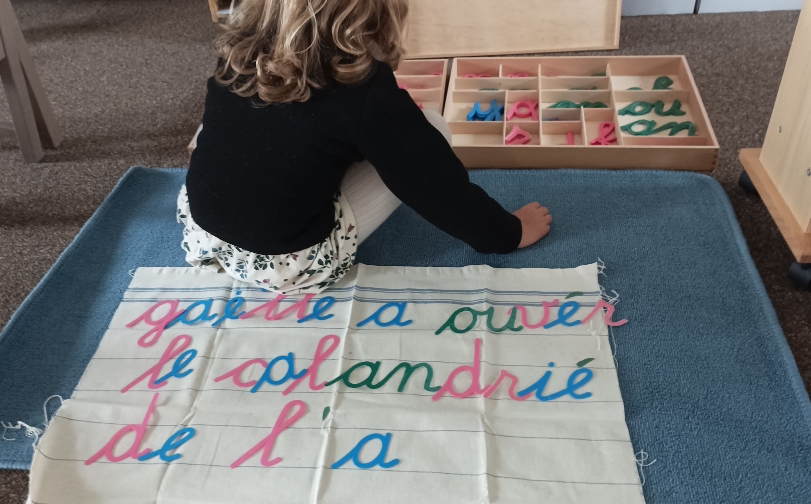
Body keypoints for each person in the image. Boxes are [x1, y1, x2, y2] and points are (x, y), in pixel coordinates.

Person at [182, 0, 552, 294]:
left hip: (203, 232)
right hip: (289, 262)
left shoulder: (237, 51)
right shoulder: (364, 91)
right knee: (431, 130)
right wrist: (507, 233)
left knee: (236, 129)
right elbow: (434, 186)